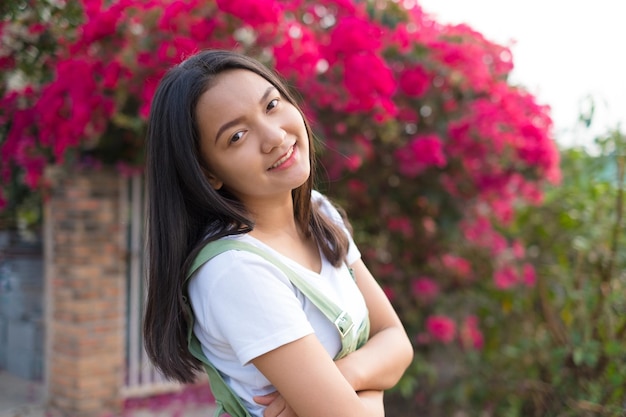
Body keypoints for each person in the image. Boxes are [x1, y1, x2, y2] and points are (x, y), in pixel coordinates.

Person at [143, 49, 413, 417]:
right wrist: (374, 384)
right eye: (237, 136)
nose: (273, 136)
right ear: (207, 173)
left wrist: (345, 376)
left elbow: (397, 341)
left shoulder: (317, 212)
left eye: (271, 105)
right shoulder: (236, 271)